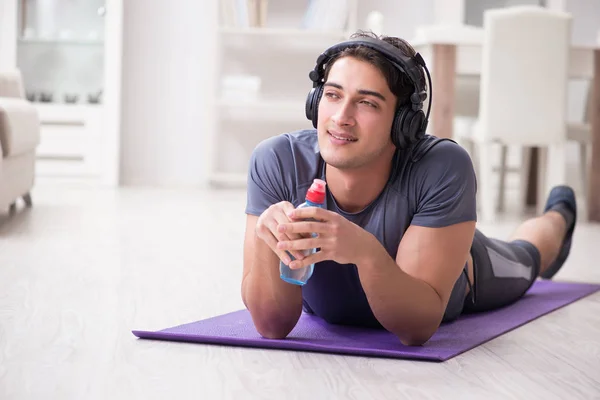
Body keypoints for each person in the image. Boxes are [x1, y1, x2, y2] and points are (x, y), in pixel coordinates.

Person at [241, 30, 577, 346]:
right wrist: (265, 239)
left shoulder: (442, 166)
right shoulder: (277, 161)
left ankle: (558, 217)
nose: (341, 117)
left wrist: (365, 253)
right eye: (332, 94)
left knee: (528, 257)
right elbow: (272, 325)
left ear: (405, 123)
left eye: (367, 103)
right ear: (315, 101)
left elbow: (415, 328)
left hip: (457, 268)